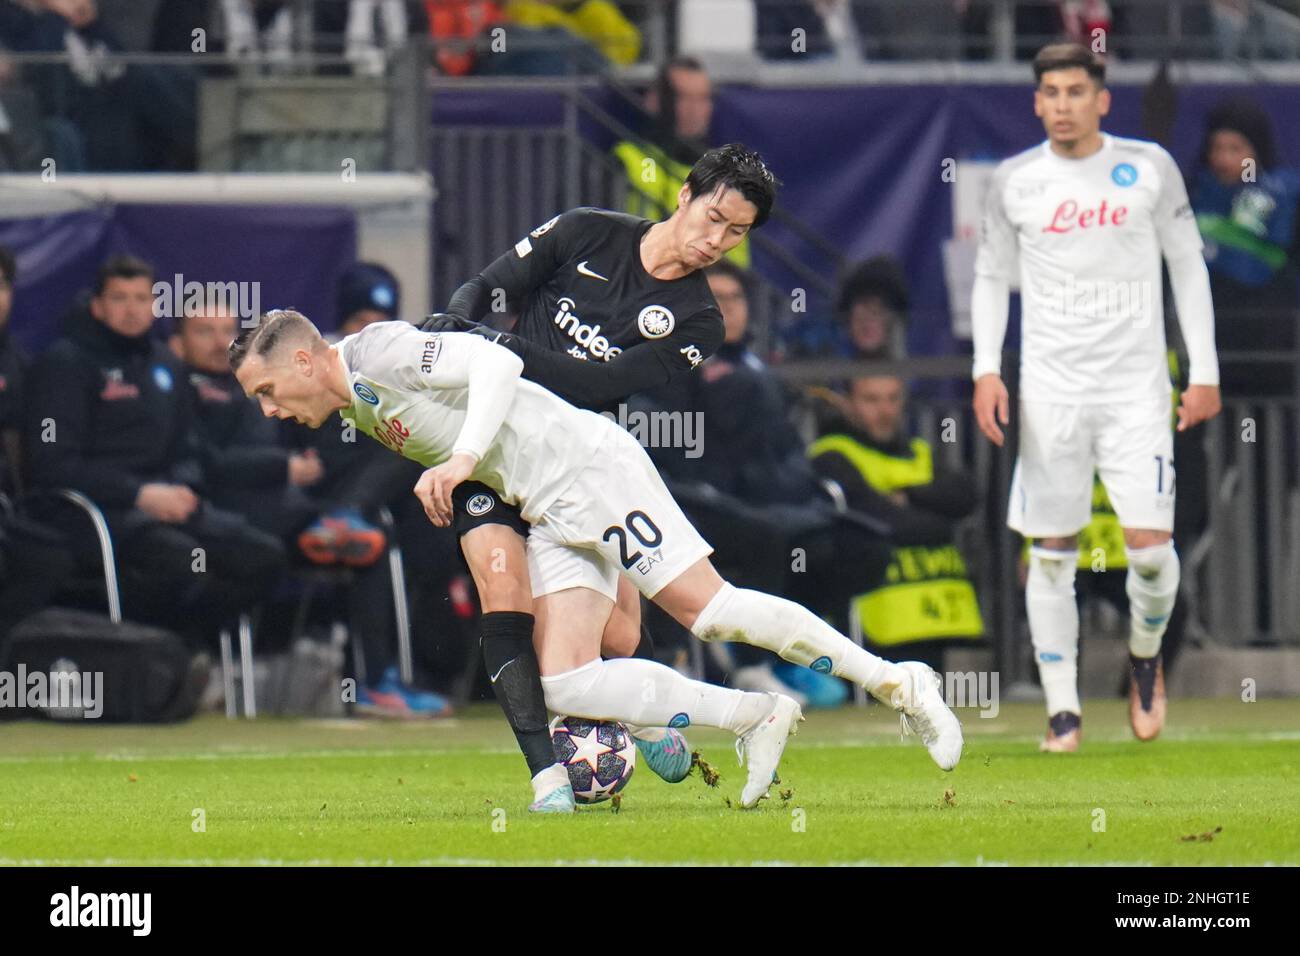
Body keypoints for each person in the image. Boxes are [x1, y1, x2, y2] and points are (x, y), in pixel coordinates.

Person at [229, 311, 964, 811]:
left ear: (301, 358)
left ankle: (900, 683)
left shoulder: (378, 351)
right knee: (570, 679)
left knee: (708, 611)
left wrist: (458, 462)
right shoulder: (353, 401)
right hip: (549, 505)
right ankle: (755, 713)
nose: (268, 410)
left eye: (266, 391)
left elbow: (494, 363)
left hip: (587, 471)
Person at [421, 144, 775, 806]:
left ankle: (643, 713)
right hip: (494, 446)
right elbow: (489, 287)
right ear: (684, 196)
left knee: (619, 638)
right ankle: (546, 778)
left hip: (576, 468)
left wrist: (500, 348)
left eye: (737, 232)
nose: (718, 240)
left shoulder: (700, 319)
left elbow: (605, 381)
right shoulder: (585, 230)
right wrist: (456, 320)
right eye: (715, 217)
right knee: (504, 589)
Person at [971, 43, 1221, 752]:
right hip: (1050, 389)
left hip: (1137, 388)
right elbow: (992, 278)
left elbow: (1188, 269)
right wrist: (986, 369)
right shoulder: (1016, 181)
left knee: (1149, 549)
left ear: (1102, 99)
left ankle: (1146, 657)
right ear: (1036, 101)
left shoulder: (1147, 168)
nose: (1061, 104)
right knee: (1051, 550)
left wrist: (1204, 371)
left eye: (1076, 91)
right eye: (1049, 92)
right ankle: (1062, 710)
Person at [23, 255, 285, 652]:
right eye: (120, 298)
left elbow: (187, 450)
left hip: (165, 505)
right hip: (91, 511)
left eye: (141, 298)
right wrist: (138, 494)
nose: (131, 310)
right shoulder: (65, 363)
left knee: (261, 556)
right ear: (97, 305)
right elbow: (51, 465)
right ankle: (153, 654)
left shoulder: (165, 365)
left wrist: (182, 489)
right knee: (181, 561)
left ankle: (183, 651)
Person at [809, 375, 983, 674]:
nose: (885, 410)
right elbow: (879, 519)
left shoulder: (918, 451)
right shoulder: (832, 454)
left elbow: (966, 495)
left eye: (893, 399)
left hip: (937, 614)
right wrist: (937, 516)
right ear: (849, 404)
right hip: (878, 616)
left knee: (930, 701)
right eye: (871, 400)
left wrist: (910, 495)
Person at [1189, 96, 1300, 397]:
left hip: (1270, 342)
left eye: (1235, 149)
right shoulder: (1191, 194)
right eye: (1217, 149)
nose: (1223, 159)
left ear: (1257, 152)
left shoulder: (1286, 196)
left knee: (1268, 433)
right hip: (1208, 343)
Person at [611, 57, 750, 267]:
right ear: (654, 101)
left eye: (703, 98)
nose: (694, 110)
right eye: (683, 98)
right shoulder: (626, 159)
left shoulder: (730, 174)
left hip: (715, 290)